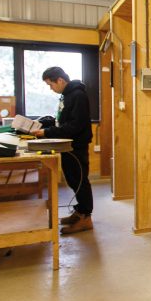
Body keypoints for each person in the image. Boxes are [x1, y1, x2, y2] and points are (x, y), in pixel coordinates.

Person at [34, 67, 94, 235]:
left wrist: (47, 132)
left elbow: (76, 125)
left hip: (77, 146)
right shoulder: (66, 95)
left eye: (50, 84)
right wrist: (46, 127)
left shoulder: (78, 95)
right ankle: (80, 211)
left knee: (80, 181)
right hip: (66, 145)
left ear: (60, 80)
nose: (51, 88)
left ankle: (86, 217)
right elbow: (63, 121)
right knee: (72, 180)